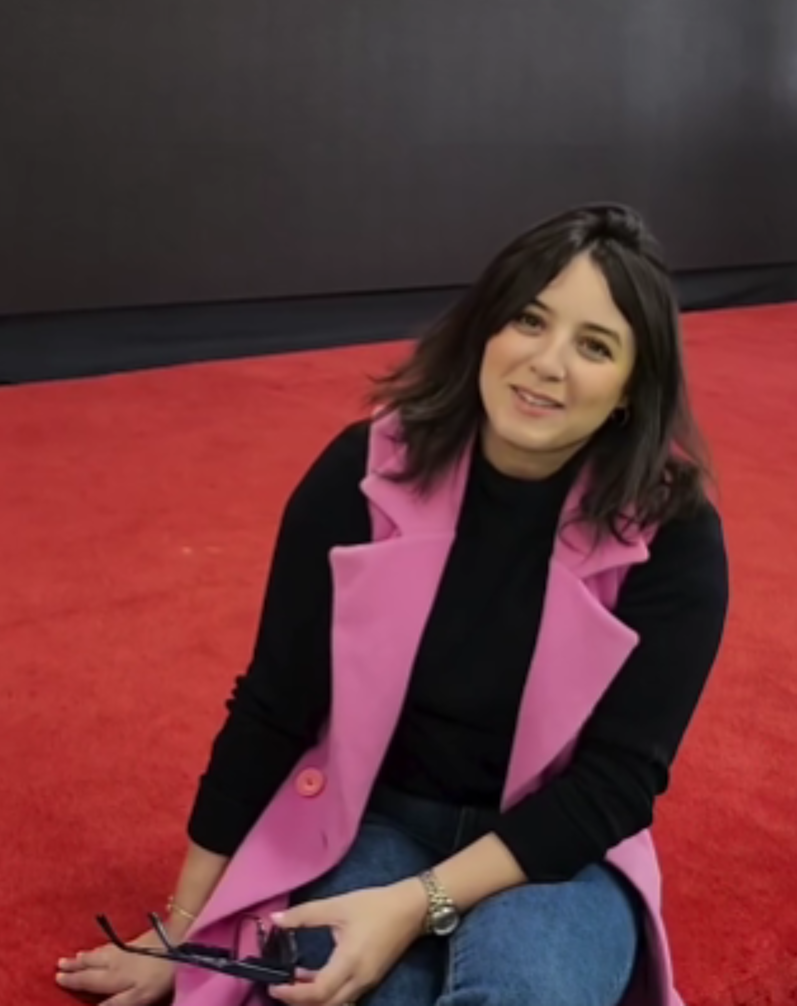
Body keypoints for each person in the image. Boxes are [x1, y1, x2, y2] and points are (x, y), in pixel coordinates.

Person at [57, 204, 728, 1006]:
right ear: (485, 328)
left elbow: (613, 786)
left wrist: (416, 905)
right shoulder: (359, 473)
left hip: (558, 849)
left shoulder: (676, 537)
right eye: (529, 319)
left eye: (595, 345)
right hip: (375, 820)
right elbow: (275, 705)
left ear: (629, 389)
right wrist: (184, 929)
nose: (547, 362)